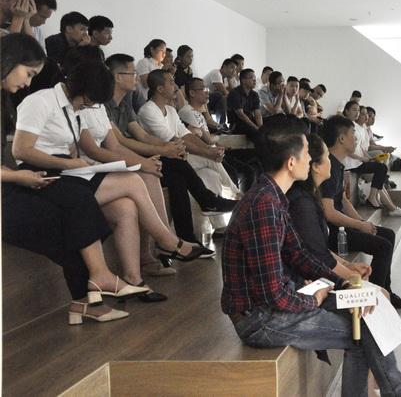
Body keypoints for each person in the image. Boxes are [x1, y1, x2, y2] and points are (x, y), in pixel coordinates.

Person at [221, 115, 401, 397]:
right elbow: (274, 295)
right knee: (362, 332)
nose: (310, 159)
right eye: (307, 152)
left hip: (279, 303)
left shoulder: (272, 196)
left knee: (369, 307)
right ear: (291, 162)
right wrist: (315, 299)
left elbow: (299, 254)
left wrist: (350, 287)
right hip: (260, 320)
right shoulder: (264, 206)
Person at [11, 61, 207, 304]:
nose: (89, 106)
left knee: (126, 207)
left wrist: (76, 162)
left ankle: (134, 279)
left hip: (69, 171)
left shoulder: (74, 107)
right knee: (133, 180)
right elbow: (21, 151)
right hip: (44, 174)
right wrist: (69, 164)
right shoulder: (40, 101)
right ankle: (167, 241)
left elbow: (83, 147)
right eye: (89, 101)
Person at [1, 33, 147, 325]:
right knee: (74, 209)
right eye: (28, 73)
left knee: (76, 204)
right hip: (10, 191)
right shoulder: (38, 101)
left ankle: (91, 291)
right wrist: (17, 175)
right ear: (9, 62)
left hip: (13, 183)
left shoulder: (6, 101)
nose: (28, 82)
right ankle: (94, 288)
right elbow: (19, 152)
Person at [104, 54, 236, 248]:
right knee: (180, 163)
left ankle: (186, 238)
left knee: (179, 178)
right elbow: (120, 142)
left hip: (145, 155)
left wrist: (168, 148)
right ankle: (216, 200)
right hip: (120, 159)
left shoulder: (126, 105)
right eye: (132, 73)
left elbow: (143, 136)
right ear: (117, 76)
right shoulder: (114, 107)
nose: (136, 77)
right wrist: (166, 149)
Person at [320, 115, 401, 309]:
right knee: (383, 246)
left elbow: (343, 200)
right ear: (341, 138)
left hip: (343, 227)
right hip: (334, 233)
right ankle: (376, 298)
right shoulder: (328, 167)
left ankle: (386, 291)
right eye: (353, 135)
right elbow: (328, 212)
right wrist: (359, 225)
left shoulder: (337, 165)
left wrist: (363, 223)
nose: (356, 139)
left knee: (387, 234)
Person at [138, 70, 239, 242]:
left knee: (209, 174)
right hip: (162, 159)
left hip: (177, 158)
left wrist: (209, 150)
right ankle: (229, 197)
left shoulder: (171, 110)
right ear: (160, 88)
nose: (176, 87)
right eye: (171, 82)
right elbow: (173, 140)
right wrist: (208, 152)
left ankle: (210, 226)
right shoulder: (148, 111)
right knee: (190, 167)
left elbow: (186, 135)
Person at [287, 133, 372, 282]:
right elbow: (317, 256)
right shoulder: (302, 204)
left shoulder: (310, 197)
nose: (330, 161)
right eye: (327, 157)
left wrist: (348, 265)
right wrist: (351, 277)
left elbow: (319, 248)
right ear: (315, 167)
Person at [181, 76, 259, 193]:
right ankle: (238, 197)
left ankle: (246, 196)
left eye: (207, 89)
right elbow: (208, 140)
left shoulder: (197, 113)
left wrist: (217, 142)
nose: (207, 92)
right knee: (238, 172)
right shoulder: (188, 112)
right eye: (203, 89)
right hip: (204, 154)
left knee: (253, 162)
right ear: (192, 93)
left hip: (214, 150)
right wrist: (217, 138)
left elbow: (207, 137)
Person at [343, 102, 401, 215]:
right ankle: (380, 201)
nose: (357, 113)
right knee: (380, 171)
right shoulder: (345, 126)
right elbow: (346, 149)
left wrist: (368, 158)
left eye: (358, 111)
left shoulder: (354, 126)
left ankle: (390, 206)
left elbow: (361, 147)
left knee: (380, 175)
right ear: (346, 111)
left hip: (358, 162)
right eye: (354, 110)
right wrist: (362, 159)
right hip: (351, 164)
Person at [226, 68, 263, 137]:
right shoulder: (234, 93)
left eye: (254, 77)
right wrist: (257, 128)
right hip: (238, 124)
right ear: (243, 80)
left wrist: (261, 128)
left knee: (270, 125)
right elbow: (241, 115)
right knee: (255, 131)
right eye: (251, 77)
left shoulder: (254, 94)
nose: (254, 80)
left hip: (250, 121)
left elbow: (257, 113)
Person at [133, 39, 166, 111]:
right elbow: (146, 83)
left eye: (165, 52)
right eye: (161, 50)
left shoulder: (161, 66)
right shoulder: (144, 62)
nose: (164, 54)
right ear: (152, 50)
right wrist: (162, 72)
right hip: (144, 100)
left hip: (159, 100)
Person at [204, 58, 237, 126]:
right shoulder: (216, 73)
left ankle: (228, 124)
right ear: (224, 67)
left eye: (235, 69)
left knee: (223, 98)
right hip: (203, 98)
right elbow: (225, 92)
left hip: (211, 100)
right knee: (221, 96)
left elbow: (232, 93)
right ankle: (222, 124)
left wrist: (229, 80)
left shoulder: (224, 79)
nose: (234, 71)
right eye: (232, 68)